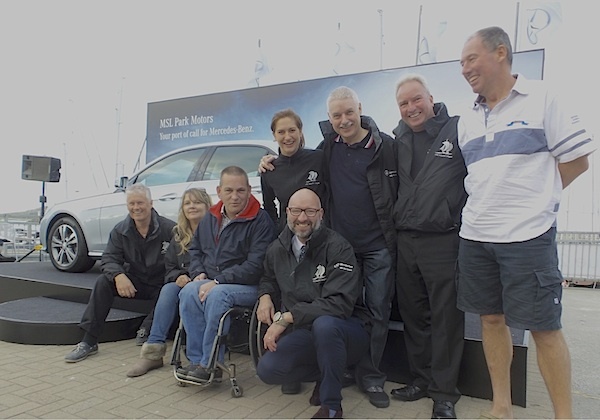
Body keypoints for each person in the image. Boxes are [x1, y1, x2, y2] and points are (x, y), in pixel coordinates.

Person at [457, 26, 596, 419]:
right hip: (477, 236)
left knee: (544, 328)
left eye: (471, 59)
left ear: (500, 52)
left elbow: (577, 160)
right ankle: (501, 406)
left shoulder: (543, 98)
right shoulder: (467, 117)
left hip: (528, 237)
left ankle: (563, 415)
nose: (465, 69)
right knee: (490, 319)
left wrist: (539, 201)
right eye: (461, 63)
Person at [260, 87, 398, 408]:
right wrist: (268, 160)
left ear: (360, 108)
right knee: (333, 310)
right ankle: (335, 369)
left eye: (349, 112)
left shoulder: (384, 145)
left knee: (377, 311)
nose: (344, 119)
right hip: (339, 245)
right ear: (330, 119)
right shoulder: (329, 149)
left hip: (376, 246)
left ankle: (372, 377)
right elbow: (286, 183)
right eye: (336, 115)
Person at [255, 188, 371, 419]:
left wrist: (286, 318)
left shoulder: (338, 247)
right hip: (304, 331)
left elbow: (339, 304)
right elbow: (268, 277)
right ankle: (327, 374)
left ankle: (332, 407)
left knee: (325, 325)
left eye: (310, 211)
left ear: (321, 213)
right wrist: (265, 296)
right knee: (267, 370)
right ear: (287, 212)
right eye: (296, 210)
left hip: (345, 330)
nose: (302, 218)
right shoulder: (278, 247)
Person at [389, 73, 466, 419]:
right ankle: (420, 380)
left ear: (430, 98)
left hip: (443, 240)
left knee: (446, 319)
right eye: (403, 103)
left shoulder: (458, 131)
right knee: (414, 315)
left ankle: (445, 393)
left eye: (416, 99)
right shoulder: (397, 139)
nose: (411, 108)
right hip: (406, 240)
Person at [175, 166, 276, 384]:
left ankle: (211, 363)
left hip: (248, 286)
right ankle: (196, 361)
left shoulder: (260, 221)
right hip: (212, 281)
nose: (235, 196)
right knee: (188, 292)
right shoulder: (210, 217)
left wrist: (219, 281)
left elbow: (256, 265)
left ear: (249, 190)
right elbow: (196, 250)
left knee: (217, 295)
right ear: (219, 191)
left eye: (240, 190)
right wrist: (198, 273)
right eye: (229, 190)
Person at [64, 184, 176, 362]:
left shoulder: (170, 229)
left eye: (140, 202)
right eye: (131, 203)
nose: (136, 207)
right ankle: (89, 341)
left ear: (151, 203)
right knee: (103, 282)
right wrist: (119, 276)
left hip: (161, 285)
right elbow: (109, 258)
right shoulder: (119, 230)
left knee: (172, 288)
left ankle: (147, 328)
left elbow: (179, 263)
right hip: (135, 283)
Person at [126, 187, 212, 377]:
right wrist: (177, 276)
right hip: (184, 284)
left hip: (209, 283)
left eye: (197, 202)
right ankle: (153, 353)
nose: (192, 207)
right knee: (168, 289)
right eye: (187, 203)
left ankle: (200, 358)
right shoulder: (179, 235)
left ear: (207, 206)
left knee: (188, 291)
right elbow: (170, 267)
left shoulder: (216, 231)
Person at [261, 108, 327, 233]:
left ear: (300, 131)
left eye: (292, 130)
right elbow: (269, 207)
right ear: (274, 135)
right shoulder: (269, 169)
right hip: (288, 239)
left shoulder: (319, 159)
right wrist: (278, 234)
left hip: (320, 235)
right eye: (281, 132)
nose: (287, 137)